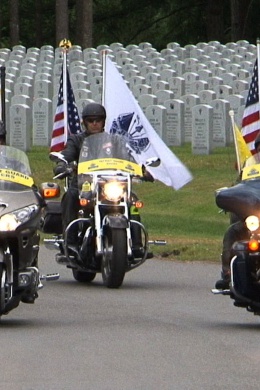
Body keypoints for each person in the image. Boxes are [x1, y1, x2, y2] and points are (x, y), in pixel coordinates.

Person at [53, 102, 153, 258]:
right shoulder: (77, 140)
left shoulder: (115, 140)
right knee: (70, 196)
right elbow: (66, 154)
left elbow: (128, 158)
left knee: (132, 200)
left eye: (98, 120)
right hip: (84, 186)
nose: (94, 123)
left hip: (110, 184)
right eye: (91, 120)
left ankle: (137, 244)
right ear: (84, 122)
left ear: (103, 121)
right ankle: (70, 242)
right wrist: (62, 165)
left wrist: (141, 170)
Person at [215, 134, 260, 289]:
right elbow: (241, 186)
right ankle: (227, 273)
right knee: (232, 232)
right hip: (254, 217)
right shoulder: (250, 164)